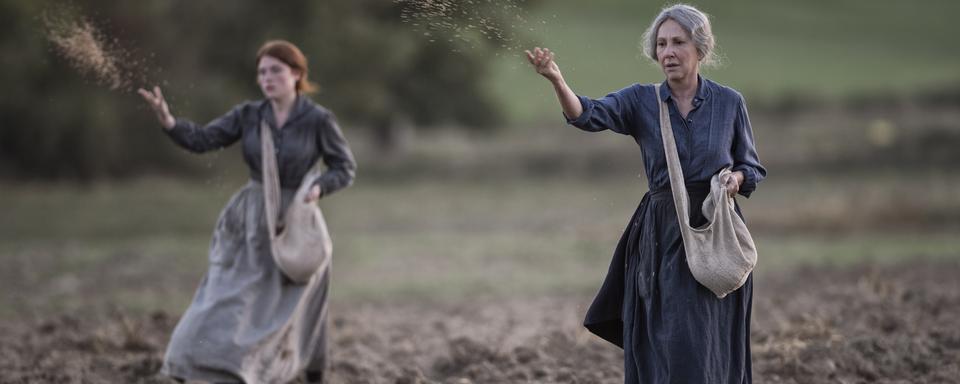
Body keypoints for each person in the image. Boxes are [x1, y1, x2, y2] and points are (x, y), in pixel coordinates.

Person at [526, 4, 766, 383]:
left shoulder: (729, 102)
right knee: (670, 333)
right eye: (661, 44)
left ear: (700, 48)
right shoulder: (641, 100)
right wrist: (557, 80)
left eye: (678, 43)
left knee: (711, 337)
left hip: (716, 234)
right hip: (662, 234)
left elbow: (752, 168)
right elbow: (587, 115)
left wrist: (735, 180)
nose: (668, 52)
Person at [138, 40, 356, 383]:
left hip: (296, 224)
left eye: (276, 71)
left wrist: (318, 188)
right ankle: (197, 365)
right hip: (251, 221)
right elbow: (202, 140)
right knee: (226, 297)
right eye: (262, 72)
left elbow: (344, 168)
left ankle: (293, 372)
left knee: (294, 307)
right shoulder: (249, 115)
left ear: (296, 74)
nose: (267, 78)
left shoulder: (318, 120)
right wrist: (168, 121)